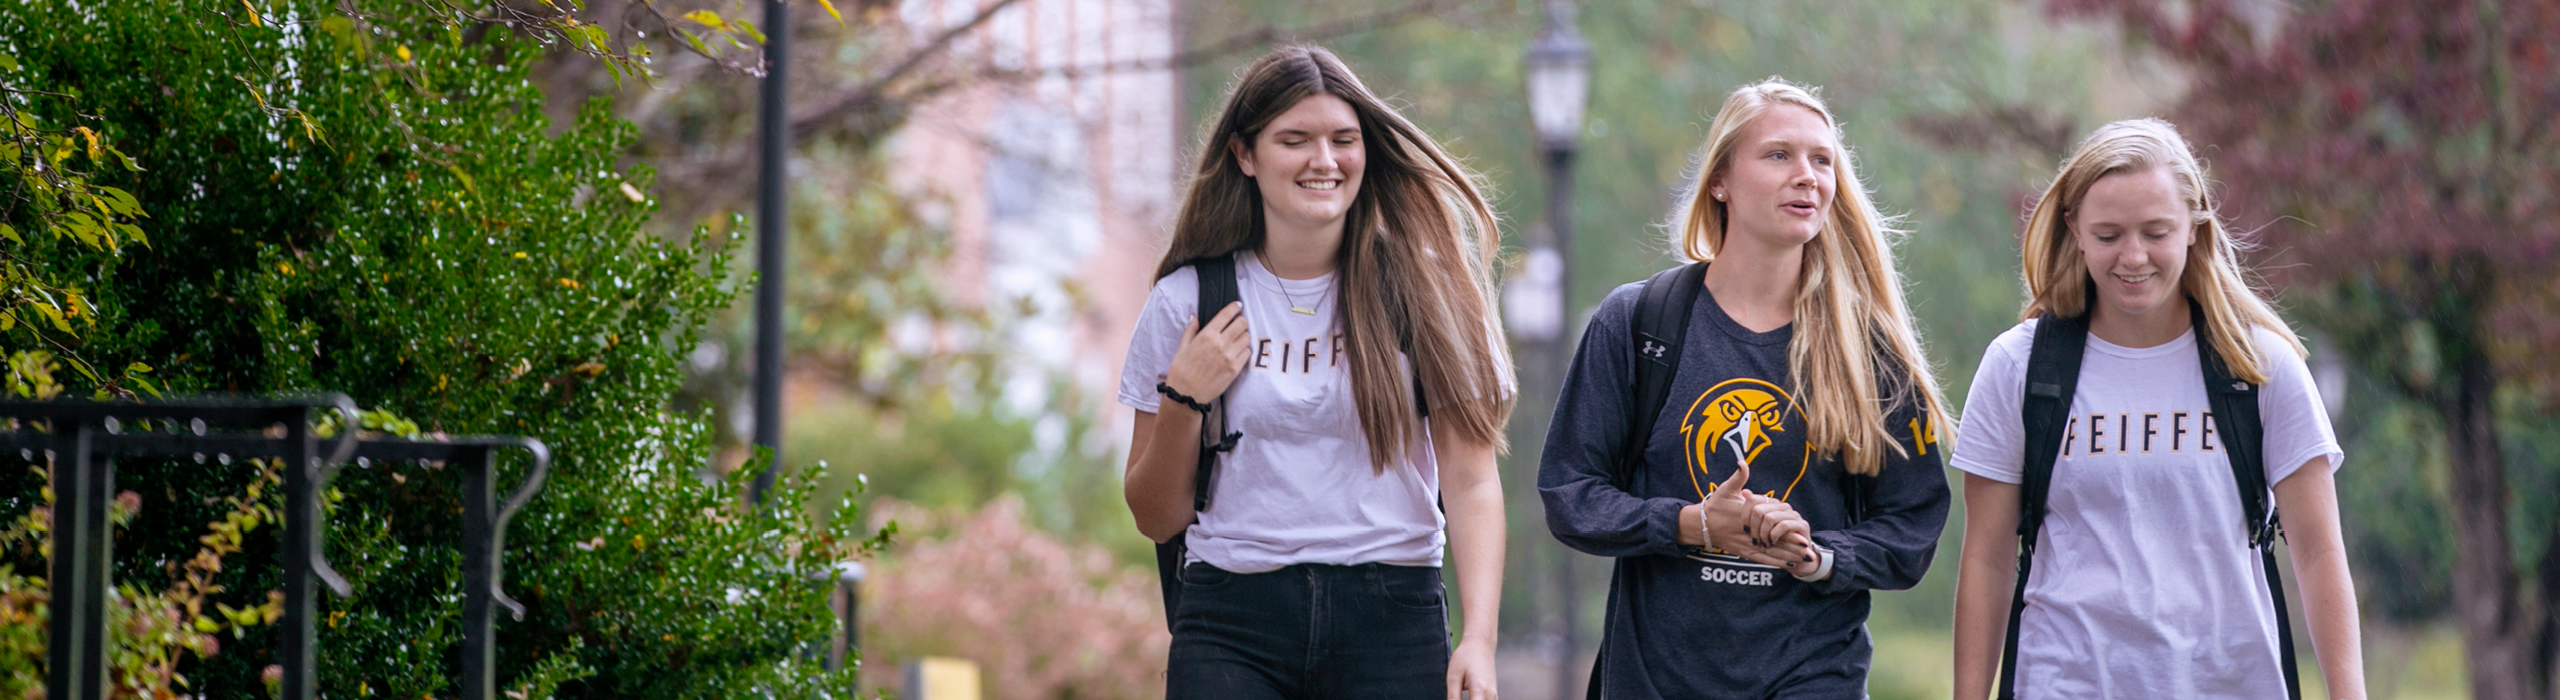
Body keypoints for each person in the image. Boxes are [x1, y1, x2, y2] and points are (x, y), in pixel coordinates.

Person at [1117, 44, 1514, 700]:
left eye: (1343, 139)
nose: (1324, 161)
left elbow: (1471, 482)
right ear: (1246, 156)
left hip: (1393, 617)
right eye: (1294, 140)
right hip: (1230, 623)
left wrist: (1480, 639)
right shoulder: (1187, 301)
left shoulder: (1423, 287)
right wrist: (1183, 398)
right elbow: (1156, 517)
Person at [1539, 77, 1953, 699]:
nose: (1807, 175)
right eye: (1779, 155)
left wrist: (1814, 554)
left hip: (1814, 676)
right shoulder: (1638, 323)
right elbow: (1571, 494)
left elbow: (1913, 526)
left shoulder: (1867, 347)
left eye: (1822, 160)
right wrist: (1691, 523)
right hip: (1655, 681)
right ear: (1720, 181)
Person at [1947, 118, 2365, 699]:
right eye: (2109, 234)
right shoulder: (2019, 368)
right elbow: (1988, 557)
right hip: (2064, 682)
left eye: (2156, 232)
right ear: (2075, 229)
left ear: (2195, 228)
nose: (2133, 256)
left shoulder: (2260, 367)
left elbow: (2319, 554)